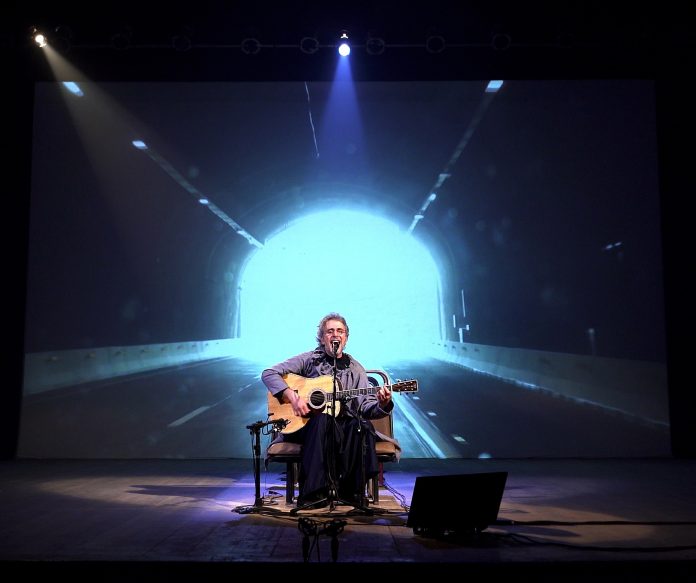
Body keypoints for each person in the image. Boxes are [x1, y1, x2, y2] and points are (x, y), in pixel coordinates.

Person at [261, 312, 395, 507]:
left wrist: (382, 404)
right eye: (330, 331)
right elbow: (269, 373)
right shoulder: (309, 360)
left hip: (343, 426)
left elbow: (366, 407)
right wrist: (293, 397)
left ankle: (351, 492)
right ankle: (313, 493)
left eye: (340, 331)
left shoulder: (355, 369)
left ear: (346, 338)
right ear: (322, 338)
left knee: (360, 426)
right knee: (322, 420)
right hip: (305, 426)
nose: (335, 335)